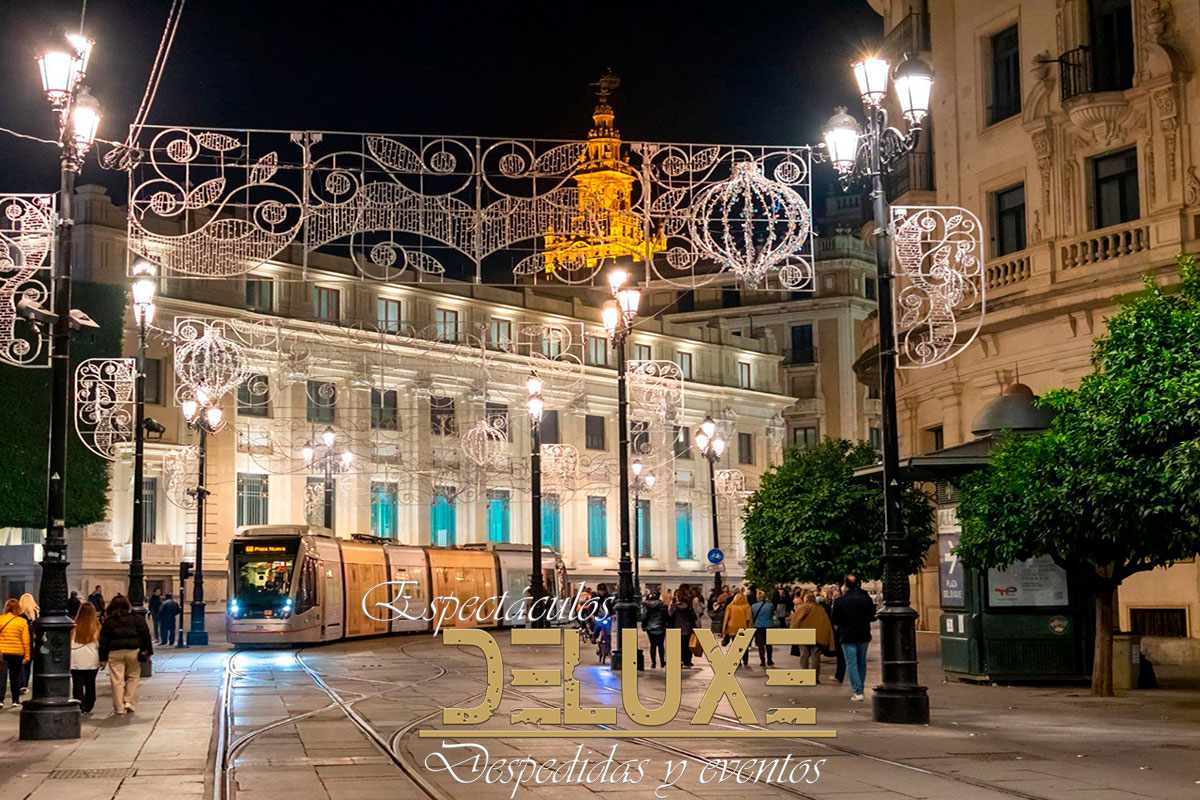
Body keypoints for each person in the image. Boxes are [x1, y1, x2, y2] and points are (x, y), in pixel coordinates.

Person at [99, 595, 153, 714]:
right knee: (133, 676)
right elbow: (145, 636)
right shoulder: (136, 619)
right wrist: (148, 651)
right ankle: (129, 701)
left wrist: (102, 658)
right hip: (133, 651)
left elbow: (103, 641)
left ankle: (119, 707)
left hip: (115, 652)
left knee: (117, 680)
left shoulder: (109, 621)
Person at [830, 575, 876, 702]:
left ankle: (858, 691)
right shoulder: (866, 599)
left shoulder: (840, 600)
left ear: (845, 585)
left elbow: (835, 620)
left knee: (851, 662)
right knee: (861, 661)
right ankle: (859, 688)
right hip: (863, 633)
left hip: (847, 634)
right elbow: (872, 616)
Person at [790, 590, 835, 683]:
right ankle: (815, 678)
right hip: (817, 636)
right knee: (816, 657)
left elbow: (796, 621)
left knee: (804, 655)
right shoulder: (821, 609)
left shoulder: (803, 608)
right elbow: (827, 624)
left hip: (803, 635)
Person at [0, 598, 31, 708]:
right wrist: (27, 655)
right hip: (17, 652)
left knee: (1, 677)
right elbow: (25, 640)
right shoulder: (22, 621)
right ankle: (15, 700)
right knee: (15, 677)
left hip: (2, 652)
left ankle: (0, 700)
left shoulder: (1, 619)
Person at [70, 603, 101, 714]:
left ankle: (79, 704)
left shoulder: (73, 627)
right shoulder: (97, 627)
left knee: (77, 684)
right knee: (90, 683)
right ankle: (89, 704)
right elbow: (99, 645)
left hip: (75, 660)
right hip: (91, 660)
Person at [820, 586, 846, 684]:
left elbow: (835, 619)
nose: (834, 596)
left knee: (843, 655)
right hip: (843, 631)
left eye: (836, 594)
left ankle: (840, 676)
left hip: (840, 631)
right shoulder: (833, 602)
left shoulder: (839, 603)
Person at [721, 589, 753, 665]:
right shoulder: (746, 606)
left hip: (732, 627)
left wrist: (724, 630)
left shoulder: (730, 606)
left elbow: (726, 618)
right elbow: (748, 618)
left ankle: (737, 660)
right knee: (744, 644)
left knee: (735, 644)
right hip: (743, 626)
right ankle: (745, 659)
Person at [668, 586, 697, 668]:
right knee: (687, 645)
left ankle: (679, 660)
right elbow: (694, 617)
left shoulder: (674, 607)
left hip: (676, 627)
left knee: (678, 646)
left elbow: (670, 616)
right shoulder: (689, 606)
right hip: (688, 627)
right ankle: (687, 661)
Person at [641, 591, 669, 669]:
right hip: (661, 627)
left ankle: (653, 663)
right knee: (661, 645)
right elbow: (666, 616)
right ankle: (662, 662)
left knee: (652, 645)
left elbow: (644, 617)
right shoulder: (664, 605)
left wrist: (644, 626)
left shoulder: (647, 606)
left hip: (650, 628)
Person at [749, 589, 776, 667]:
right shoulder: (770, 605)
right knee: (769, 644)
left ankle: (762, 660)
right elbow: (772, 614)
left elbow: (752, 616)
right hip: (769, 625)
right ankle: (770, 659)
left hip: (758, 626)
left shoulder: (753, 606)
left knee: (760, 644)